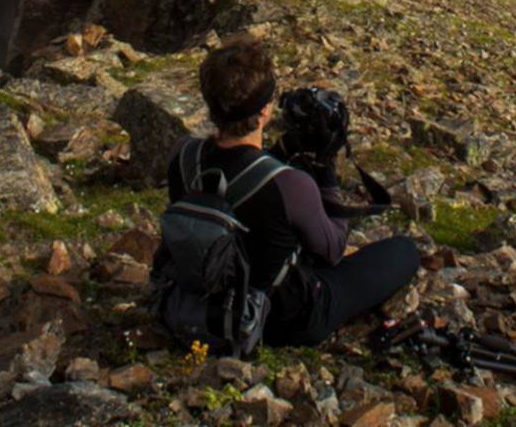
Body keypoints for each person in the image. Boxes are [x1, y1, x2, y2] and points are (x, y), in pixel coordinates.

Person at [166, 37, 421, 347]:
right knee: (405, 251)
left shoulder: (183, 155)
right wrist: (325, 171)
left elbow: (235, 179)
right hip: (281, 318)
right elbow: (332, 248)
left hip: (195, 299)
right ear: (263, 112)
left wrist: (285, 151)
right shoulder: (289, 185)